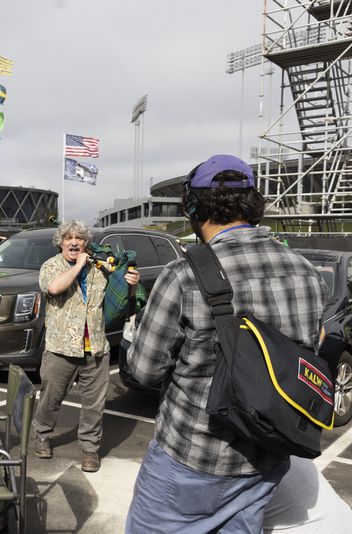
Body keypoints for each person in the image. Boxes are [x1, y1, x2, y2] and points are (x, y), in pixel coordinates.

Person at [125, 155, 327, 532]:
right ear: (253, 204)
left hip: (190, 460)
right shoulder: (307, 272)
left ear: (194, 207)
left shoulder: (183, 274)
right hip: (266, 459)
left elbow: (143, 370)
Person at [31, 220, 139, 472]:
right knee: (51, 398)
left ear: (85, 242)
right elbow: (54, 288)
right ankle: (42, 434)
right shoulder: (51, 266)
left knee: (94, 403)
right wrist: (79, 265)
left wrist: (131, 286)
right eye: (68, 238)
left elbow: (121, 300)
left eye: (79, 238)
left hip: (96, 347)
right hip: (61, 348)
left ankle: (90, 449)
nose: (74, 242)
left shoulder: (98, 268)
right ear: (60, 242)